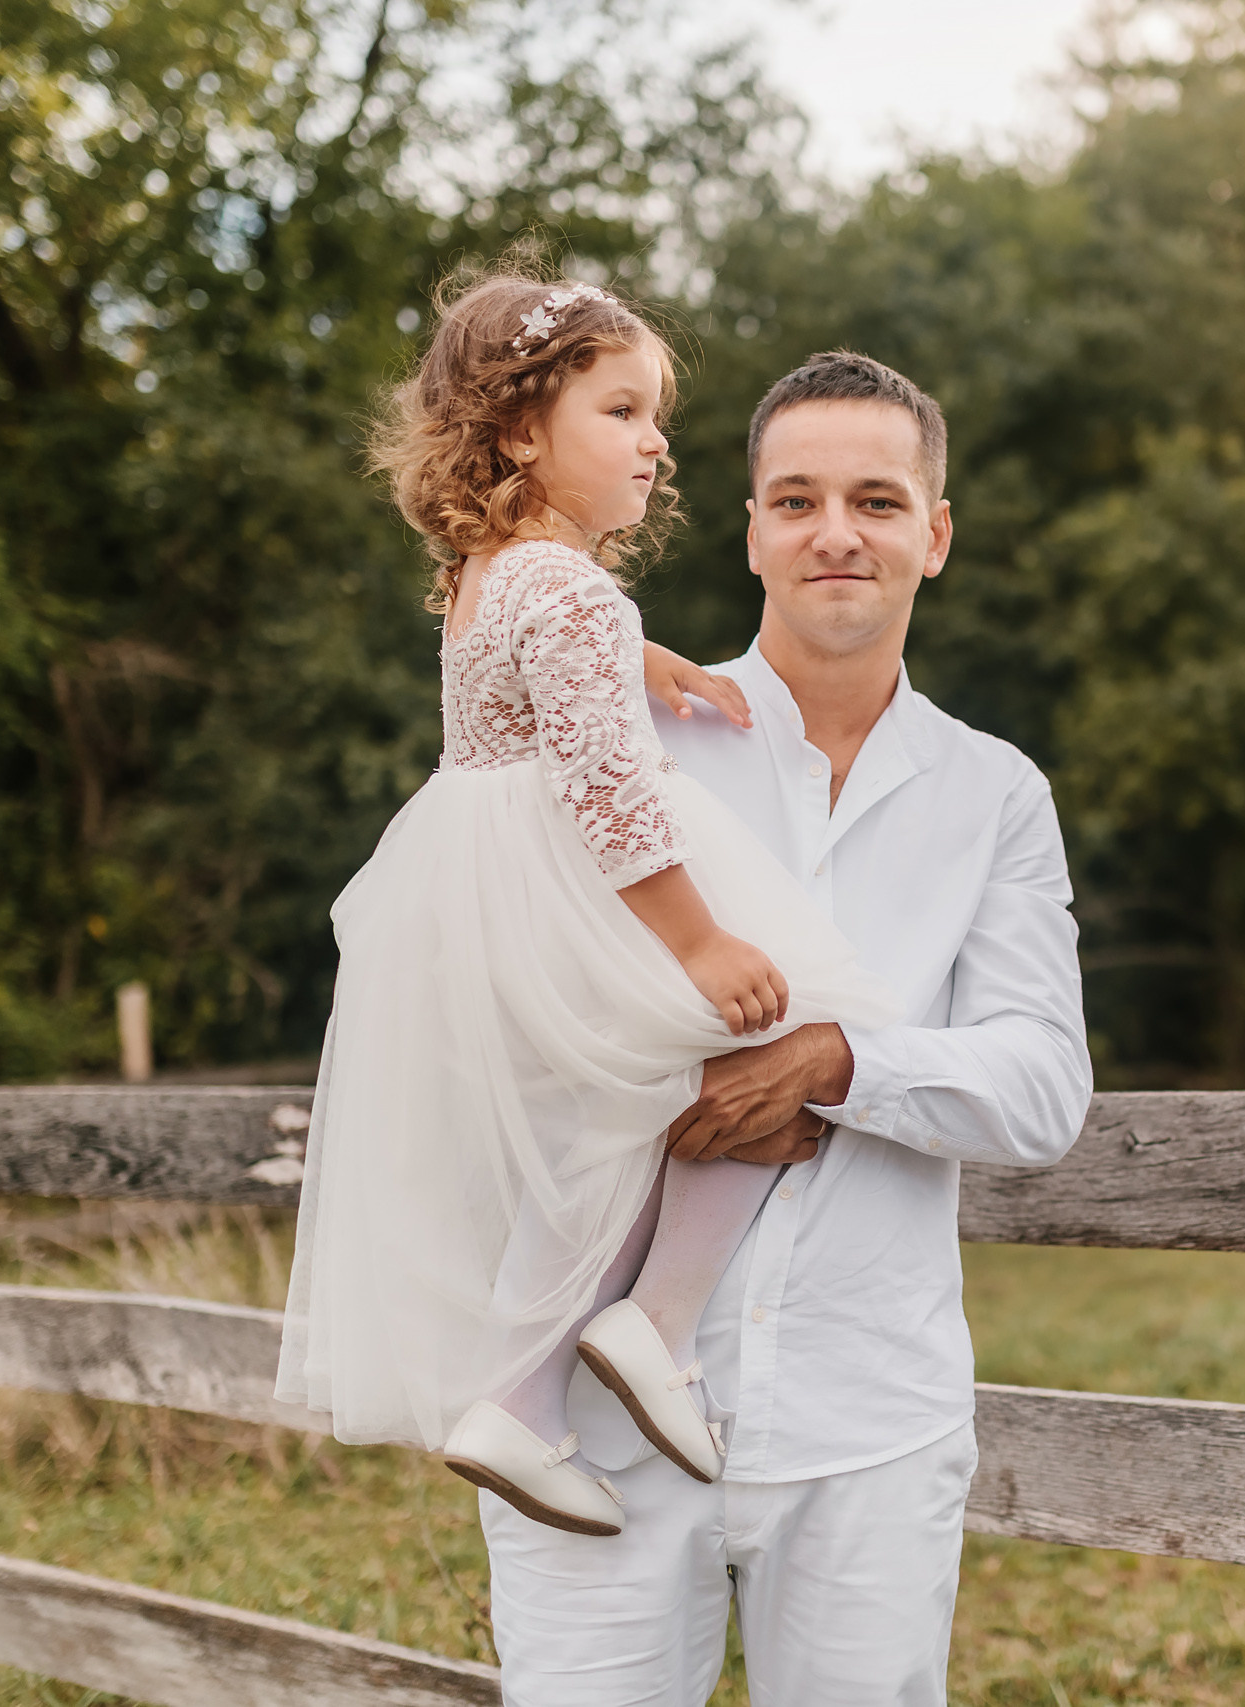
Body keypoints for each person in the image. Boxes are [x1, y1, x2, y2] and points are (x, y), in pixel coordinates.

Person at [479, 350, 1093, 1704]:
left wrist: (840, 1063)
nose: (835, 532)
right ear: (751, 527)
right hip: (592, 1429)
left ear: (933, 535)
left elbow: (1043, 1082)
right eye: (797, 497)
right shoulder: (619, 734)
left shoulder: (993, 794)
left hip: (864, 1417)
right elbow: (488, 984)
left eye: (876, 500)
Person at [275, 266, 896, 1537]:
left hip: (468, 891)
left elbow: (546, 658)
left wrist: (642, 654)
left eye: (653, 416)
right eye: (621, 411)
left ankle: (519, 1396)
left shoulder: (494, 571)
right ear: (519, 432)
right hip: (575, 878)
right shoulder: (565, 590)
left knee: (624, 1132)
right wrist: (699, 940)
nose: (654, 441)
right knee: (795, 1037)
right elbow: (610, 792)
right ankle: (655, 1324)